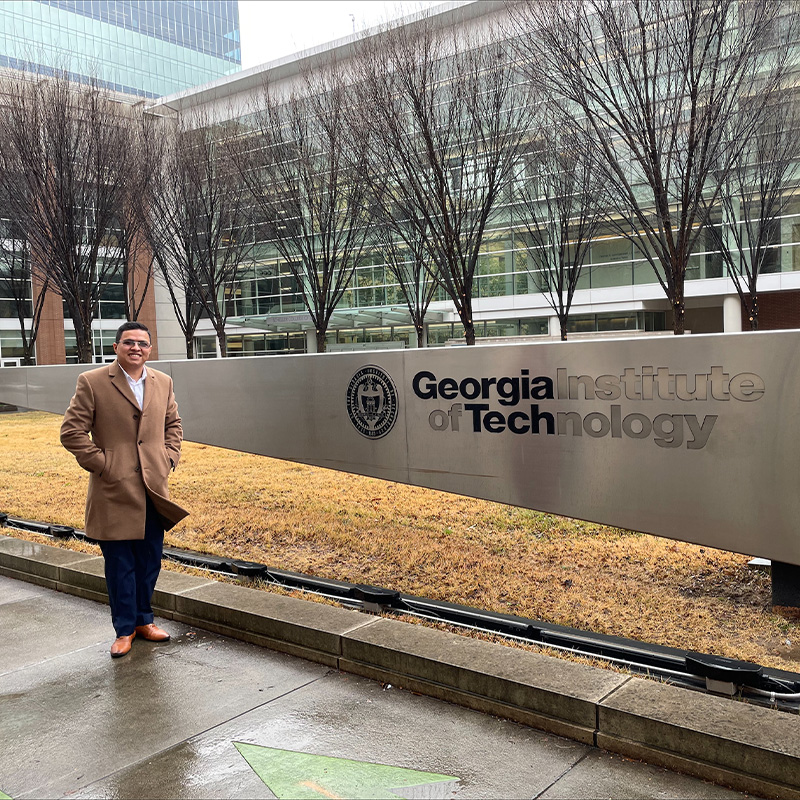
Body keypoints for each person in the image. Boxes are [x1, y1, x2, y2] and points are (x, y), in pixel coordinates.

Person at [60, 321, 189, 658]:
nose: (136, 348)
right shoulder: (93, 382)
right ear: (116, 347)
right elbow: (71, 432)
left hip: (153, 489)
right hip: (114, 491)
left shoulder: (163, 382)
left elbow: (173, 425)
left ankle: (144, 620)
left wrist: (168, 458)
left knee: (149, 560)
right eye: (129, 342)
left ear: (149, 349)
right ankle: (124, 630)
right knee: (120, 564)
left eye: (143, 343)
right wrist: (105, 465)